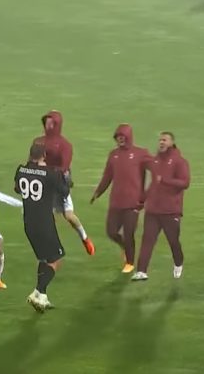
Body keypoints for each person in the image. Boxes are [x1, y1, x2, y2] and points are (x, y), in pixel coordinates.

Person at [14, 142, 71, 312]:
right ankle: (37, 291)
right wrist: (65, 176)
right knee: (56, 259)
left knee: (43, 259)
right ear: (44, 155)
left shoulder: (20, 170)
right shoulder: (50, 173)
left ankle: (43, 297)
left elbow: (17, 189)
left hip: (28, 223)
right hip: (44, 223)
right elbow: (64, 191)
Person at [90, 124, 151, 274]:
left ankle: (130, 262)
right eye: (118, 137)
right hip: (116, 202)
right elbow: (107, 176)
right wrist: (98, 192)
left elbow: (154, 168)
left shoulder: (140, 153)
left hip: (133, 203)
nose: (120, 140)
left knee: (129, 233)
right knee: (111, 232)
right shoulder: (113, 155)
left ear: (129, 137)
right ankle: (125, 247)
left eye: (123, 137)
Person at [34, 110, 95, 255]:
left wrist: (49, 171)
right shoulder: (38, 141)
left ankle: (85, 238)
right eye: (46, 122)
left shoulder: (64, 144)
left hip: (59, 184)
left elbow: (65, 165)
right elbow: (32, 159)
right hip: (44, 184)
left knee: (68, 215)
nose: (48, 125)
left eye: (51, 122)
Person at [132, 132, 190, 281]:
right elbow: (153, 184)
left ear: (172, 142)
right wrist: (141, 201)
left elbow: (185, 183)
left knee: (173, 241)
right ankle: (141, 271)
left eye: (164, 140)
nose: (161, 142)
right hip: (153, 210)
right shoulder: (156, 161)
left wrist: (165, 180)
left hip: (171, 211)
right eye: (160, 140)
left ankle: (178, 262)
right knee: (147, 240)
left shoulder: (180, 162)